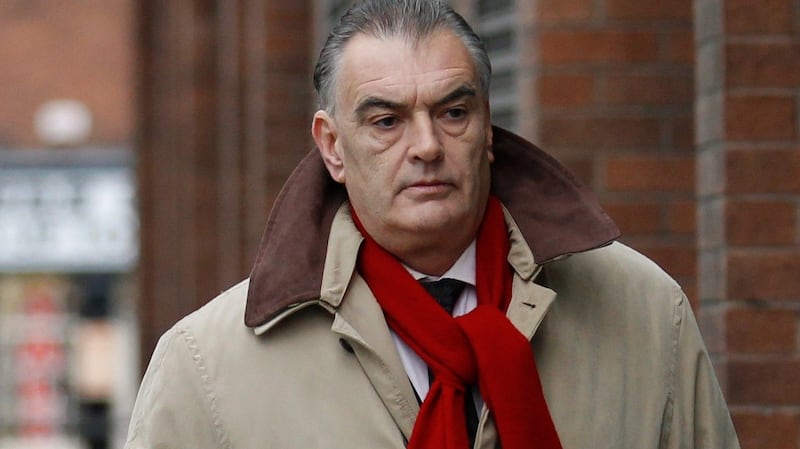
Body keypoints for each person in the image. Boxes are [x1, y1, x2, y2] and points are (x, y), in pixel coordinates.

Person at [124, 1, 740, 448]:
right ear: (332, 146)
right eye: (386, 121)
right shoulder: (204, 367)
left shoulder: (645, 314)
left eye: (452, 112)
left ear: (488, 127)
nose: (426, 145)